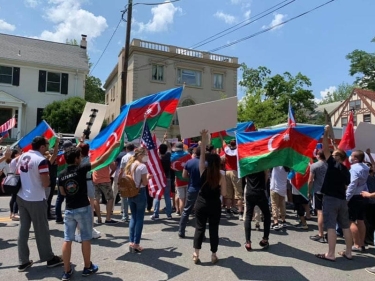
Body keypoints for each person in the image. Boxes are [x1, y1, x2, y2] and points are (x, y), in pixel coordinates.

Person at [58, 141, 120, 280]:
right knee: (86, 238)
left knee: (67, 239)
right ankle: (87, 267)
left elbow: (62, 192)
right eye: (79, 157)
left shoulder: (62, 175)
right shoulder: (81, 169)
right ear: (76, 159)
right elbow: (102, 160)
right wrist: (112, 147)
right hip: (83, 208)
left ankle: (66, 271)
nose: (81, 159)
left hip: (69, 209)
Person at [17, 136, 63, 272]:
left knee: (23, 229)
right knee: (41, 229)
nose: (48, 146)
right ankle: (49, 258)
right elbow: (45, 183)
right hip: (36, 198)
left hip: (22, 195)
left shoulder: (23, 156)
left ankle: (23, 261)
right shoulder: (41, 160)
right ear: (42, 146)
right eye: (47, 144)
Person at [315, 125, 352, 262]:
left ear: (336, 157)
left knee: (330, 226)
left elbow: (325, 148)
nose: (331, 154)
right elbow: (347, 184)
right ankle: (349, 252)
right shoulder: (346, 170)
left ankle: (331, 254)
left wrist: (325, 134)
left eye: (334, 153)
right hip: (342, 200)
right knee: (346, 226)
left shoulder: (333, 164)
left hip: (331, 199)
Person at [192, 129, 226, 264]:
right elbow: (224, 194)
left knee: (199, 227)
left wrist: (203, 139)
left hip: (201, 202)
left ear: (207, 162)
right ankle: (213, 255)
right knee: (213, 229)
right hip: (214, 204)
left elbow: (201, 157)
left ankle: (196, 253)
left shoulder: (202, 170)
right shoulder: (221, 175)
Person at [124, 147, 150, 252]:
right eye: (145, 154)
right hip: (140, 192)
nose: (145, 156)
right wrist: (148, 177)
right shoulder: (142, 166)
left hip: (130, 193)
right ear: (140, 155)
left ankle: (131, 241)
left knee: (133, 218)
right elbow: (145, 183)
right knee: (139, 218)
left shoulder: (130, 164)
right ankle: (136, 243)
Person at [74, 142, 101, 242]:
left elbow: (72, 151)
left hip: (79, 183)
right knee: (90, 207)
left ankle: (80, 232)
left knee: (79, 208)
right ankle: (90, 229)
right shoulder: (90, 159)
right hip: (88, 182)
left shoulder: (76, 160)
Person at [346, 149, 369, 252]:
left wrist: (347, 198)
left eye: (352, 156)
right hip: (363, 195)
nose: (350, 157)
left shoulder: (354, 169)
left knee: (350, 220)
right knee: (360, 220)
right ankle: (362, 243)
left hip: (354, 196)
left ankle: (356, 244)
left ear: (355, 159)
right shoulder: (366, 167)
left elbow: (352, 184)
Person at [244, 168, 271, 251]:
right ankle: (265, 239)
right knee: (267, 214)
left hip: (249, 191)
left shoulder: (248, 164)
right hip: (260, 192)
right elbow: (266, 177)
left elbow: (245, 178)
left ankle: (248, 242)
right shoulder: (262, 164)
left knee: (248, 216)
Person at [178, 146, 201, 238]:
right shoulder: (205, 163)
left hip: (192, 188)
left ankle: (181, 231)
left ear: (195, 153)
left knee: (186, 210)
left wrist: (191, 177)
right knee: (200, 212)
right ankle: (200, 233)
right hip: (202, 189)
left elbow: (184, 175)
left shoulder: (189, 162)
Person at [221, 137, 243, 220]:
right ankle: (240, 213)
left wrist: (220, 134)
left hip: (227, 172)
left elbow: (222, 141)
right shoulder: (239, 150)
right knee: (238, 193)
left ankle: (228, 211)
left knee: (228, 193)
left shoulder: (226, 149)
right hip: (236, 172)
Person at [308, 150, 328, 243]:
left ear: (319, 155)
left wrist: (309, 191)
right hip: (329, 192)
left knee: (320, 213)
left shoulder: (314, 166)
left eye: (316, 154)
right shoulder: (330, 165)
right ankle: (329, 232)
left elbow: (310, 180)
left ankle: (321, 234)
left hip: (319, 192)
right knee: (329, 213)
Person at [151, 143, 172, 220]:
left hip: (159, 179)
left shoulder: (157, 158)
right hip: (167, 178)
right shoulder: (169, 156)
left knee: (157, 196)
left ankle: (156, 214)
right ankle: (169, 214)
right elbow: (170, 150)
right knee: (167, 196)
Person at [119, 143, 136, 222]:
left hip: (126, 178)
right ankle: (134, 215)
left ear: (127, 149)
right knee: (134, 197)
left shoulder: (124, 157)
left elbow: (121, 171)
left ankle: (125, 216)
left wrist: (119, 181)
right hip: (135, 179)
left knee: (125, 198)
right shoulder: (136, 157)